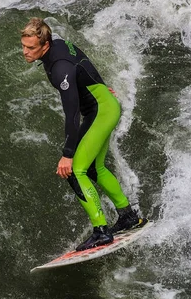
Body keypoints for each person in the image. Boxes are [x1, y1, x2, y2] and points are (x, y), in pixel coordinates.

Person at [20, 17, 147, 251]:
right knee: (93, 168)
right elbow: (81, 58)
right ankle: (128, 216)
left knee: (75, 171)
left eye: (31, 48)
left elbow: (72, 113)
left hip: (100, 111)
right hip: (105, 105)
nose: (25, 52)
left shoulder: (59, 69)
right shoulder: (55, 42)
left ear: (45, 45)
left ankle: (101, 230)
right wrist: (98, 83)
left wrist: (67, 154)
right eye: (24, 46)